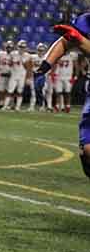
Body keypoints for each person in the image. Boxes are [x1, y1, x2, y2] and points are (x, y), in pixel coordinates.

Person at [34, 16, 90, 179]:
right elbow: (64, 43)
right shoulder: (86, 21)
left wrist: (79, 39)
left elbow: (76, 40)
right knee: (87, 149)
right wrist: (43, 68)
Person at [2, 39, 27, 110]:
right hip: (14, 74)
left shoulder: (27, 56)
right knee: (10, 90)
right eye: (20, 47)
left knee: (20, 91)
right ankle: (5, 105)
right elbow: (9, 63)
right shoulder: (13, 54)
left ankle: (18, 106)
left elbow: (28, 68)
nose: (21, 48)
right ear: (18, 47)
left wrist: (28, 77)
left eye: (23, 47)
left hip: (22, 75)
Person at [53, 44, 78, 113]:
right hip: (59, 76)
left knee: (68, 93)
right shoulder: (59, 54)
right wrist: (53, 74)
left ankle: (68, 106)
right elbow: (55, 64)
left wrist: (75, 76)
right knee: (58, 92)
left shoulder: (72, 55)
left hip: (68, 76)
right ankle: (58, 106)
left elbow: (76, 66)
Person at [0, 40, 13, 109]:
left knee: (9, 90)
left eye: (10, 47)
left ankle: (9, 103)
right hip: (2, 73)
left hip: (10, 74)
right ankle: (1, 102)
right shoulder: (1, 54)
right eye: (8, 47)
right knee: (0, 89)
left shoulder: (14, 54)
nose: (8, 49)